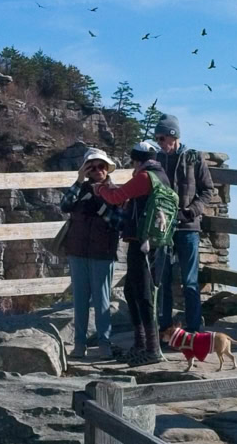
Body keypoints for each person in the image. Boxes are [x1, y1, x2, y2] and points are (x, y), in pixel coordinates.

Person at [93, 141, 170, 367]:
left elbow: (116, 197)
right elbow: (131, 197)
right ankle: (141, 344)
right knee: (132, 290)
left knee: (143, 293)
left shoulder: (144, 177)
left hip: (142, 243)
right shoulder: (161, 175)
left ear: (137, 160)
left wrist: (100, 189)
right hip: (154, 242)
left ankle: (151, 349)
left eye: (133, 161)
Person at [153, 113, 215, 334]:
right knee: (163, 280)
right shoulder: (156, 160)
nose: (159, 143)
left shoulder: (194, 158)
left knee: (190, 280)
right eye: (157, 139)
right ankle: (165, 329)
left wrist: (192, 211)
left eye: (162, 138)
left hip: (188, 227)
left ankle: (194, 329)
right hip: (163, 228)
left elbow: (208, 190)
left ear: (174, 135)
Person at [59, 147, 120, 359]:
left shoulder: (115, 192)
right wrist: (78, 180)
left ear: (107, 168)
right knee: (80, 300)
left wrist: (101, 208)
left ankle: (104, 344)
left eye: (101, 166)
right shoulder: (80, 189)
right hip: (77, 251)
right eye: (91, 167)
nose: (97, 170)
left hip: (102, 252)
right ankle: (79, 344)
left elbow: (120, 222)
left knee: (102, 301)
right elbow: (65, 206)